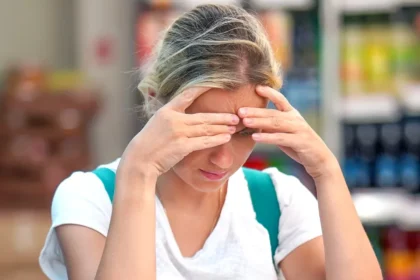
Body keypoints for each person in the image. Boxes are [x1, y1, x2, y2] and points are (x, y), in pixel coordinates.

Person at [39, 4, 382, 280]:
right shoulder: (91, 200)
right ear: (158, 101)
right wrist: (139, 171)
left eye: (244, 132)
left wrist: (326, 171)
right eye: (204, 129)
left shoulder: (279, 202)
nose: (222, 158)